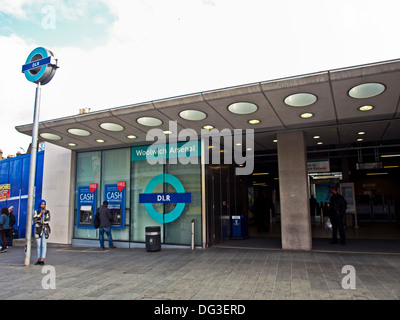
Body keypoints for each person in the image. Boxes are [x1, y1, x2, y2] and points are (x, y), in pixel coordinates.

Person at [33, 200, 51, 265]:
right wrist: (40, 214)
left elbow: (48, 219)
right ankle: (39, 259)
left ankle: (43, 259)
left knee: (44, 244)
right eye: (42, 204)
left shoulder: (47, 212)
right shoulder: (36, 211)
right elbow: (34, 219)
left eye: (44, 204)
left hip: (45, 229)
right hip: (38, 230)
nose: (43, 205)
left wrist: (40, 220)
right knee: (38, 245)